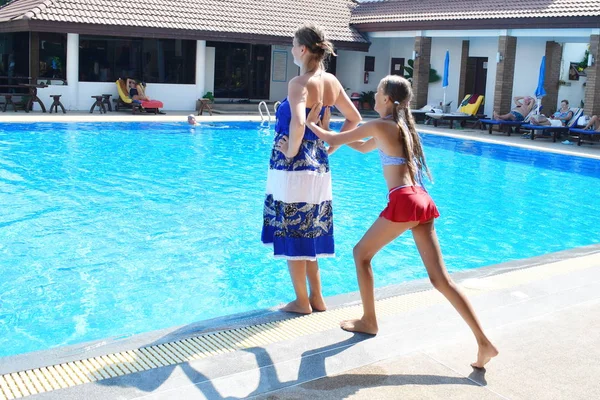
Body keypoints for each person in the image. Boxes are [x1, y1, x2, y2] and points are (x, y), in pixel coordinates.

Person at [305, 74, 499, 368]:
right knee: (441, 280)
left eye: (378, 93)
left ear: (385, 99)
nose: (373, 99)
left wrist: (310, 121)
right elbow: (361, 146)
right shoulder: (398, 127)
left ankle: (369, 320)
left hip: (404, 202)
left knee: (360, 254)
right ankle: (484, 342)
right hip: (420, 198)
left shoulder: (380, 124)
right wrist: (332, 132)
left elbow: (334, 139)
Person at [262, 24, 361, 315]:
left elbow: (298, 123)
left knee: (292, 232)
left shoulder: (298, 83)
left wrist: (292, 150)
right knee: (307, 232)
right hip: (319, 166)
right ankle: (317, 298)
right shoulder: (331, 81)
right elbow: (354, 118)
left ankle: (301, 302)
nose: (292, 50)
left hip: (292, 168)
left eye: (293, 45)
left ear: (303, 49)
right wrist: (332, 145)